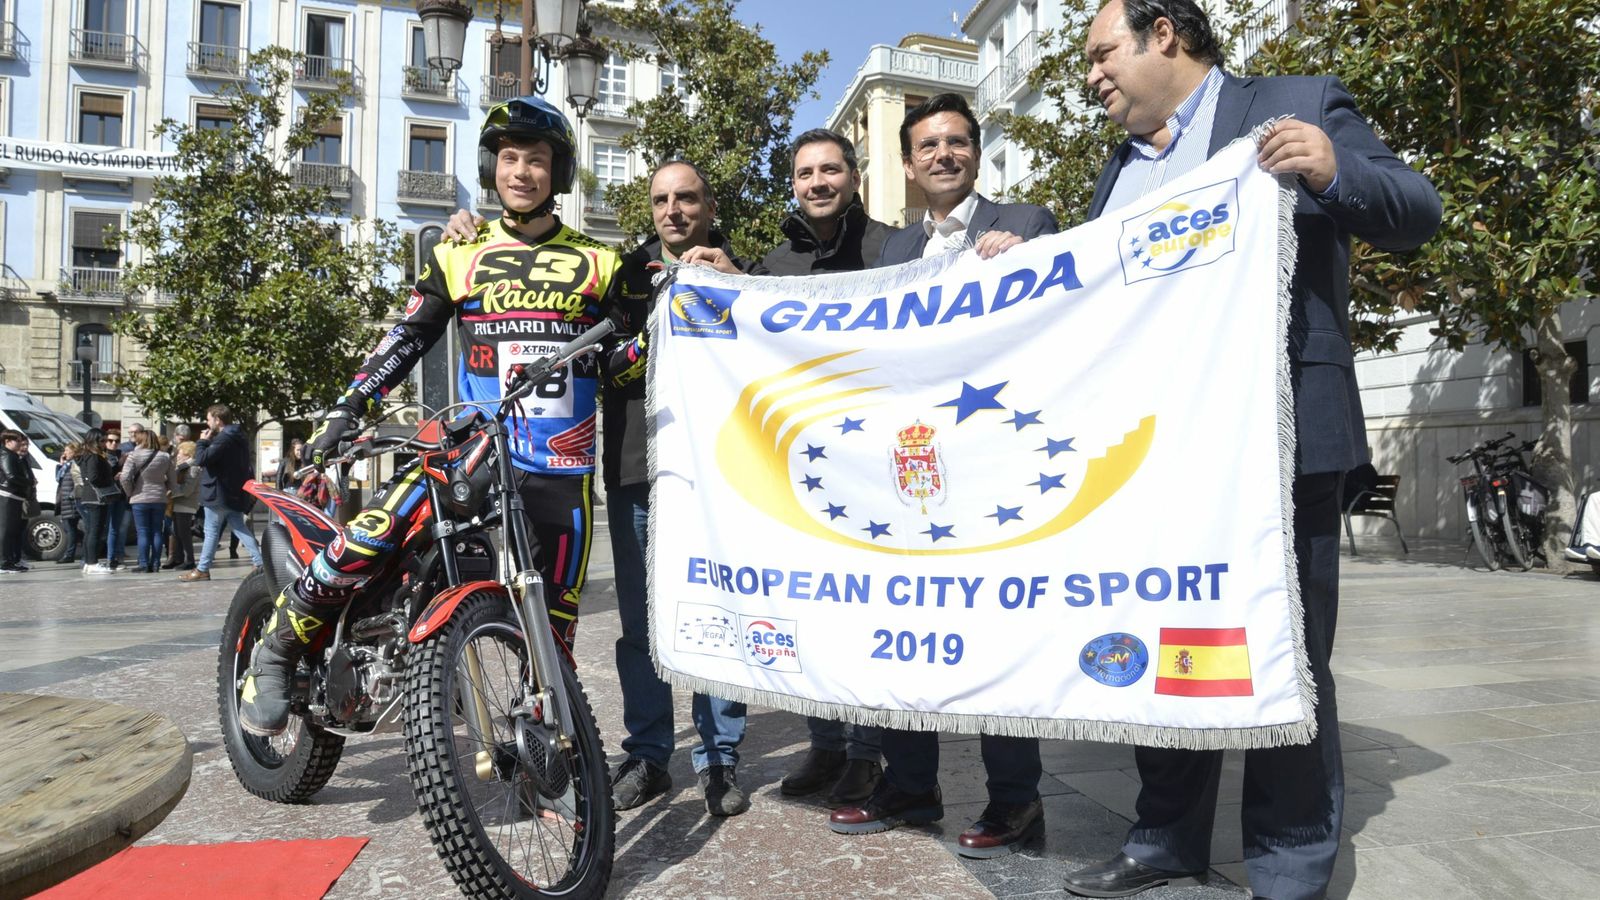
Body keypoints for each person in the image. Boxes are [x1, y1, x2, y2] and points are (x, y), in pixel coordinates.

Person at [1061, 4, 1442, 898]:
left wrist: (1334, 168)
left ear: (1163, 34)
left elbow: (1415, 210)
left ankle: (1289, 863)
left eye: (1102, 54)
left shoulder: (1295, 102)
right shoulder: (1120, 168)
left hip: (1281, 437)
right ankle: (1165, 838)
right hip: (1156, 454)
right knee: (1167, 642)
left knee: (1284, 652)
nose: (1091, 77)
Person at [236, 96, 624, 739]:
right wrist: (348, 406)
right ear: (491, 168)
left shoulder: (603, 261)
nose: (522, 172)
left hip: (563, 470)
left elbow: (624, 355)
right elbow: (407, 337)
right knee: (372, 532)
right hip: (473, 450)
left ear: (558, 172)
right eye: (509, 158)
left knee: (555, 627)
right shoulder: (457, 252)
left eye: (536, 160)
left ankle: (549, 739)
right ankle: (277, 649)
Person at [827, 92, 1058, 860]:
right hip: (912, 471)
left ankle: (1017, 802)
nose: (944, 155)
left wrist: (1027, 263)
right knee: (904, 628)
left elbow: (1068, 314)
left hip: (993, 470)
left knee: (996, 633)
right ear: (908, 163)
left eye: (957, 142)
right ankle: (910, 786)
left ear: (977, 153)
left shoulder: (1029, 223)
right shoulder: (892, 250)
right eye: (928, 146)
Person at [754, 128, 892, 806]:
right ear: (794, 183)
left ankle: (868, 754)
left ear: (853, 176)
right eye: (805, 173)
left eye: (830, 170)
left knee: (867, 613)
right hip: (801, 470)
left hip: (874, 464)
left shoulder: (894, 248)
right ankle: (826, 742)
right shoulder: (773, 265)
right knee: (808, 608)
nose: (818, 182)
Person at [179, 404, 263, 582]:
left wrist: (202, 442)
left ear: (217, 420)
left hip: (218, 493)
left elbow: (201, 459)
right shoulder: (238, 437)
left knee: (211, 531)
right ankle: (261, 563)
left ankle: (202, 569)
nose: (207, 423)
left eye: (209, 419)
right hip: (233, 492)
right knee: (239, 527)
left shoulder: (224, 438)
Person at [119, 429, 176, 573]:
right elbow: (172, 479)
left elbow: (125, 477)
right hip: (159, 497)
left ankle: (143, 563)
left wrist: (130, 492)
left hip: (139, 497)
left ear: (140, 441)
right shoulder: (165, 456)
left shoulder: (133, 455)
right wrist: (168, 490)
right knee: (157, 531)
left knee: (143, 531)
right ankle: (155, 563)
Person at [75, 435, 116, 575]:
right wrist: (108, 481)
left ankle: (88, 562)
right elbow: (93, 477)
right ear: (95, 441)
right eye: (103, 441)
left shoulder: (85, 456)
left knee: (91, 530)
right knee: (95, 531)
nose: (105, 443)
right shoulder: (93, 456)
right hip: (96, 497)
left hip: (89, 496)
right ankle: (92, 563)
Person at [0, 430, 35, 574]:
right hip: (8, 495)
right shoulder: (6, 454)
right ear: (8, 441)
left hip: (14, 496)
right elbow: (11, 476)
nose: (21, 444)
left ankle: (9, 561)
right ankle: (4, 563)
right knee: (6, 531)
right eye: (18, 441)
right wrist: (29, 482)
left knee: (11, 531)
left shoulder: (12, 455)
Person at [167, 440, 200, 570]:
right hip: (178, 503)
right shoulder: (182, 466)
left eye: (180, 454)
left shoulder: (193, 468)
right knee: (176, 532)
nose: (178, 456)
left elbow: (187, 490)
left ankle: (189, 560)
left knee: (184, 533)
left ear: (188, 454)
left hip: (186, 504)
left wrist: (171, 493)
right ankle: (178, 559)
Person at [103, 429, 131, 570]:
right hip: (107, 496)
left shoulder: (122, 454)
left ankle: (113, 558)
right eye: (110, 440)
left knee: (116, 528)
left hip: (120, 495)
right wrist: (118, 466)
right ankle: (94, 559)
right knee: (105, 528)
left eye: (116, 441)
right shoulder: (102, 455)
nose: (113, 443)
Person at [55, 444, 83, 565]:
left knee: (70, 528)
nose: (65, 453)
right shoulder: (66, 465)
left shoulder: (75, 464)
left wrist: (72, 494)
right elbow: (58, 479)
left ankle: (69, 554)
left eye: (67, 450)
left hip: (71, 500)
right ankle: (72, 550)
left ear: (74, 452)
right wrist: (60, 465)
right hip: (65, 500)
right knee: (69, 528)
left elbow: (79, 481)